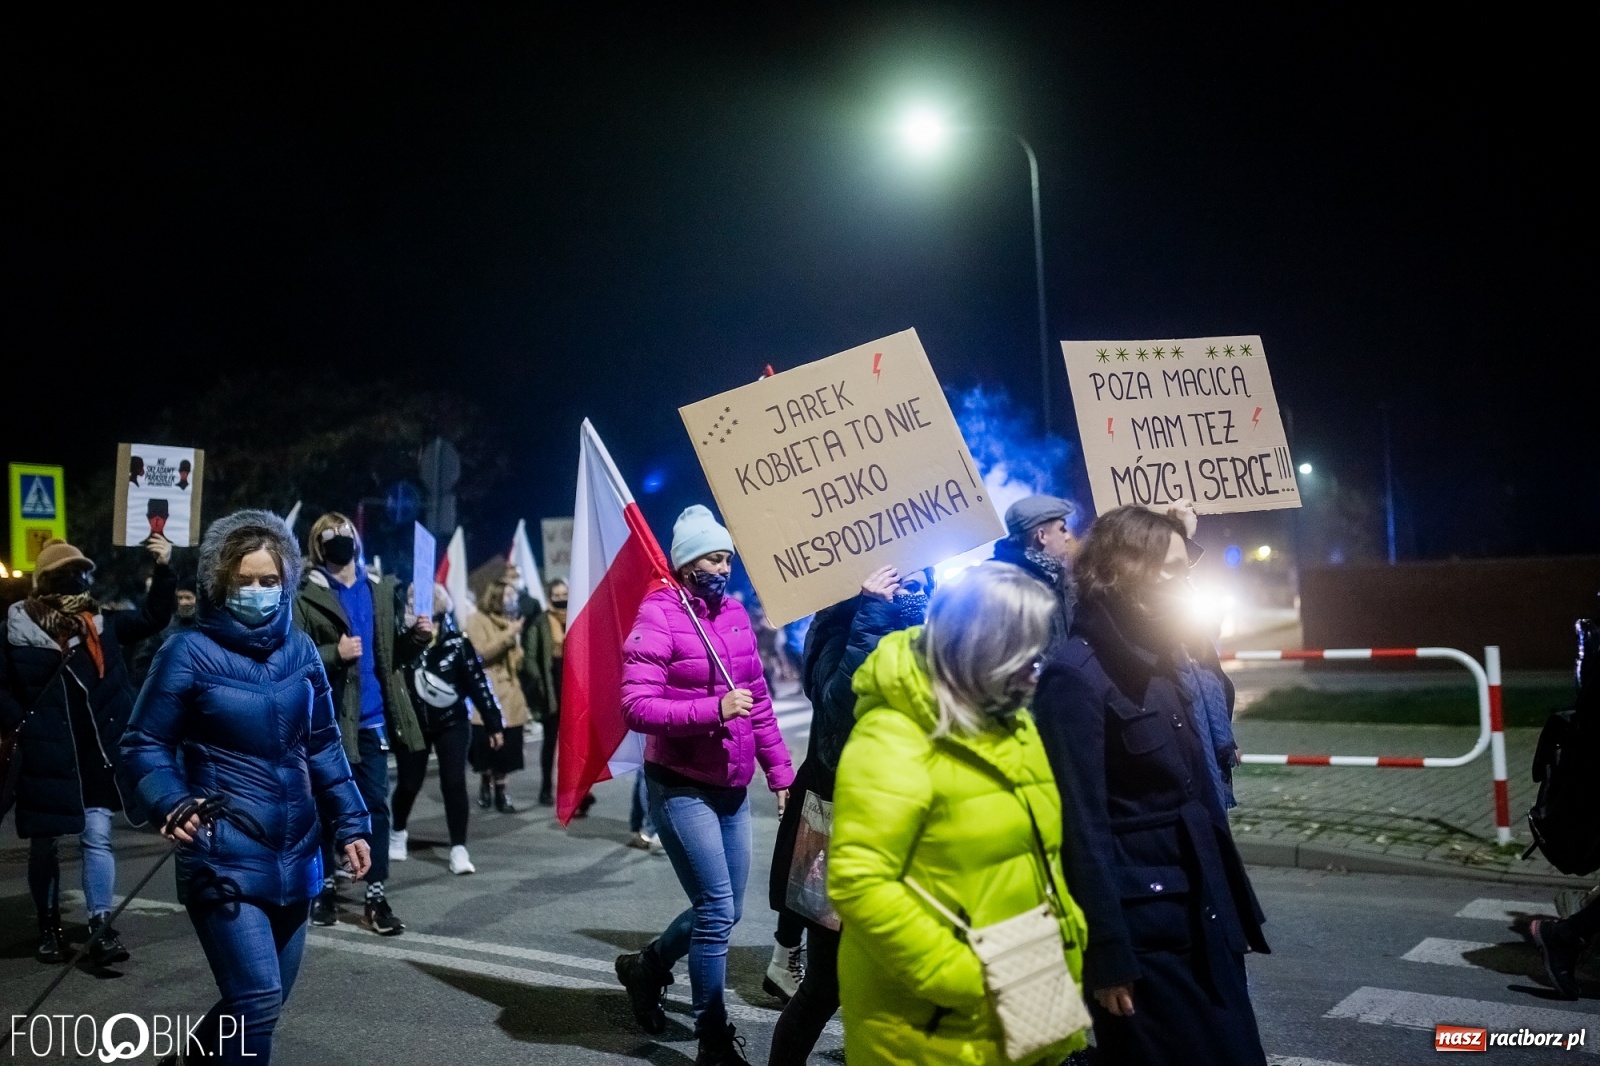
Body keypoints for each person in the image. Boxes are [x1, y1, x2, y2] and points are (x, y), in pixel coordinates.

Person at [119, 509, 370, 1065]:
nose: (258, 590)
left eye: (269, 580)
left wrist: (352, 822)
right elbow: (142, 745)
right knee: (255, 1002)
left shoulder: (302, 649)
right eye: (244, 580)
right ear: (219, 581)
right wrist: (171, 800)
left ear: (286, 581)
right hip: (222, 856)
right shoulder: (186, 651)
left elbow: (324, 744)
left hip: (299, 854)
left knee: (260, 1003)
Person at [1032, 504, 1269, 1066]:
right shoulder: (1075, 676)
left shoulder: (1162, 654)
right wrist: (1108, 954)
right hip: (1146, 937)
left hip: (1203, 914)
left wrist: (1177, 536)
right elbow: (1080, 828)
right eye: (1170, 570)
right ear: (1124, 573)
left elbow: (1216, 687)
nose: (1183, 582)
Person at [825, 562, 1088, 1065]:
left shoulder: (1012, 724)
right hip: (937, 1023)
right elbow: (860, 882)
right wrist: (964, 976)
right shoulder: (892, 738)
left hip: (1026, 980)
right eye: (1026, 655)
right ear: (982, 651)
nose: (1039, 669)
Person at [613, 505, 795, 1066]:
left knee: (727, 911)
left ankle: (647, 967)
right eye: (715, 557)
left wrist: (780, 771)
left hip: (732, 785)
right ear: (688, 562)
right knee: (716, 907)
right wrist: (713, 708)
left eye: (728, 557)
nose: (725, 566)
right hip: (680, 785)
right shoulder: (661, 614)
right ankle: (713, 1039)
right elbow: (635, 705)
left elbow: (759, 701)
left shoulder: (736, 614)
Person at [767, 563, 929, 1064]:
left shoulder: (920, 621)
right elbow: (841, 706)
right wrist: (872, 612)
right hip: (840, 822)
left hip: (905, 820)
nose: (906, 581)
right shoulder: (839, 622)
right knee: (825, 985)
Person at [1, 533, 174, 967]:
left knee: (97, 835)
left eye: (81, 573)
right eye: (67, 574)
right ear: (43, 583)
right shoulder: (16, 630)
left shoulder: (101, 623)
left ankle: (100, 924)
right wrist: (24, 722)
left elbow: (154, 616)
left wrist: (164, 566)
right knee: (45, 845)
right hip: (47, 755)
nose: (77, 581)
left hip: (95, 750)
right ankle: (49, 927)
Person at [293, 512, 430, 935]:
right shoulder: (306, 594)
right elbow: (296, 657)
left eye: (346, 533)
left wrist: (416, 639)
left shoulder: (378, 589)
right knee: (324, 808)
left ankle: (375, 895)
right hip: (329, 722)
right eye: (330, 536)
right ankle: (325, 888)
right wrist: (335, 653)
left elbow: (390, 659)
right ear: (318, 545)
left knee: (375, 807)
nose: (340, 540)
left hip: (373, 721)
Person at [392, 583, 505, 875]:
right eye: (413, 599)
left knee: (454, 782)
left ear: (442, 607)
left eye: (426, 599)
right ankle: (398, 832)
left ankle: (459, 849)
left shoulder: (457, 643)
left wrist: (494, 723)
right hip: (413, 723)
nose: (418, 603)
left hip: (452, 723)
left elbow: (478, 683)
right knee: (408, 783)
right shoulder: (401, 642)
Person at [466, 569, 531, 813]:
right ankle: (486, 781)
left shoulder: (510, 622)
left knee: (507, 749)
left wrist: (516, 644)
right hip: (488, 692)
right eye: (508, 594)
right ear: (495, 596)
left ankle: (502, 791)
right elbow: (480, 653)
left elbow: (517, 660)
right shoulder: (477, 620)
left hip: (511, 693)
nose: (512, 599)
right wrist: (509, 635)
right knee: (487, 748)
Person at [992, 494, 1079, 657]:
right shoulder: (1005, 586)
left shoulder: (1057, 576)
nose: (1068, 536)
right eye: (1062, 529)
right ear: (1042, 536)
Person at [519, 577, 566, 808]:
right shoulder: (541, 622)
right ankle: (546, 788)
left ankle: (576, 791)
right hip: (551, 688)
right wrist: (539, 682)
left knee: (575, 743)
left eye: (564, 594)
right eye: (556, 595)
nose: (561, 599)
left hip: (573, 686)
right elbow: (529, 657)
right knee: (550, 741)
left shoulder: (576, 617)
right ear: (549, 597)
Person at [130, 578, 199, 689]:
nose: (184, 602)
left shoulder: (208, 627)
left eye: (188, 598)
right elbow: (144, 661)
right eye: (180, 598)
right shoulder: (165, 627)